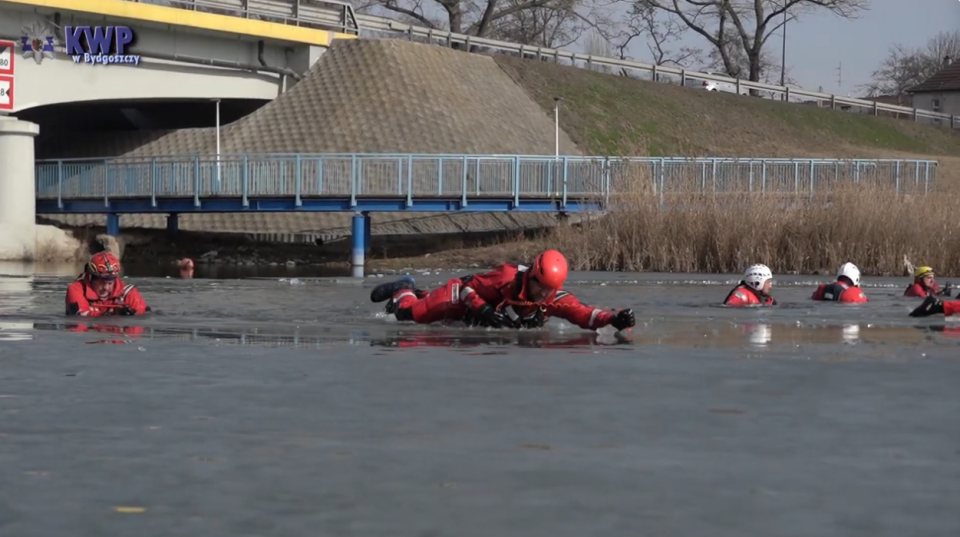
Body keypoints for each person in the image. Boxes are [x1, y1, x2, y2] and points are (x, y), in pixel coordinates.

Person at [370, 249, 635, 332]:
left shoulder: (557, 299)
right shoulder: (506, 278)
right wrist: (483, 309)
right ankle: (404, 289)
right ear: (530, 276)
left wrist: (614, 319)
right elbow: (464, 286)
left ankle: (419, 292)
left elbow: (587, 316)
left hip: (474, 315)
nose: (544, 295)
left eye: (550, 290)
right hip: (464, 299)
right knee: (407, 317)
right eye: (540, 288)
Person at [65, 252, 150, 317]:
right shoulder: (76, 290)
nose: (106, 287)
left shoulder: (129, 292)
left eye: (110, 282)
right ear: (91, 277)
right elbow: (78, 317)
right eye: (102, 282)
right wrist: (114, 314)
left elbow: (144, 317)